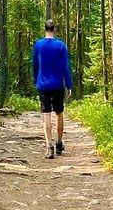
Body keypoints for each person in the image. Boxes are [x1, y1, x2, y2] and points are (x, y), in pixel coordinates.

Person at [32, 18, 73, 159]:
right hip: (57, 84)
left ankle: (49, 146)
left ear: (45, 29)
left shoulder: (38, 45)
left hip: (43, 84)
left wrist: (35, 79)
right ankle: (59, 143)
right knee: (59, 113)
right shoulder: (60, 45)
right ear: (54, 29)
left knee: (46, 114)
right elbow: (65, 66)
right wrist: (69, 85)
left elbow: (35, 65)